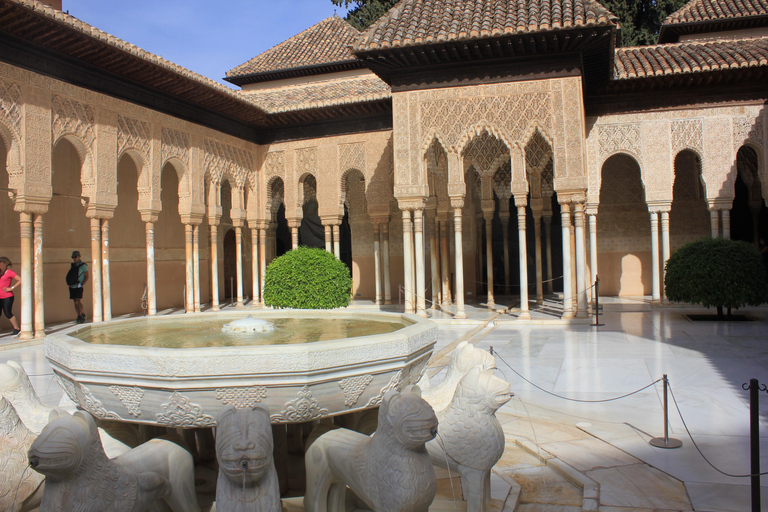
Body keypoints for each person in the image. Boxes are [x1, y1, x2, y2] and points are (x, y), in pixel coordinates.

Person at [0, 256, 21, 336]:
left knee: (8, 313)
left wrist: (11, 288)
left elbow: (20, 280)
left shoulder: (9, 272)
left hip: (7, 297)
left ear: (5, 264)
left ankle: (17, 328)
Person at [68, 251, 89, 324]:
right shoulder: (73, 265)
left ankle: (83, 314)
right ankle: (78, 315)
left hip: (79, 285)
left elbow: (87, 276)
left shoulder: (83, 265)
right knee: (75, 301)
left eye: (75, 257)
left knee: (77, 301)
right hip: (72, 285)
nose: (74, 258)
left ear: (79, 257)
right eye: (73, 257)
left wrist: (82, 284)